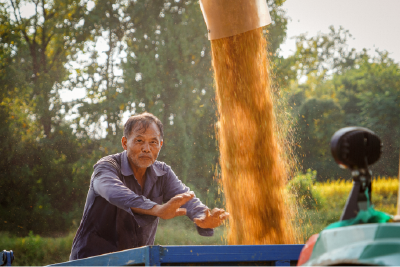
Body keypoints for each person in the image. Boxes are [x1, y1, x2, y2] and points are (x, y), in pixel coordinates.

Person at [70, 112, 228, 260]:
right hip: (92, 261)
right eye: (139, 141)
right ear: (125, 143)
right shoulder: (107, 167)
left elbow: (186, 197)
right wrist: (157, 209)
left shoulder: (163, 172)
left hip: (137, 261)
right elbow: (114, 192)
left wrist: (201, 216)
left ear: (160, 145)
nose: (146, 148)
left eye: (153, 142)